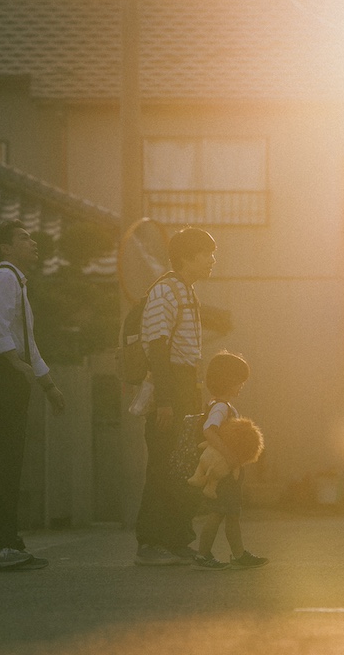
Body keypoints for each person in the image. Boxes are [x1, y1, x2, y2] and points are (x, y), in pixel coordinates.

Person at [0, 219, 66, 571]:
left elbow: (28, 342)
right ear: (5, 248)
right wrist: (14, 362)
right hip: (1, 376)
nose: (33, 242)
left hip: (10, 376)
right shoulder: (2, 278)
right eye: (23, 238)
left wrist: (48, 384)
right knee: (4, 465)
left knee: (9, 464)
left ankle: (7, 543)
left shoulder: (15, 281)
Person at [134, 227, 217, 566]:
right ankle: (150, 544)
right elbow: (157, 347)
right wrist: (165, 401)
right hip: (171, 385)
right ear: (186, 258)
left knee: (183, 464)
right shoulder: (166, 291)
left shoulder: (185, 290)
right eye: (206, 253)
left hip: (186, 386)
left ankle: (176, 539)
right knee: (163, 465)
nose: (212, 260)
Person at [194, 350, 268, 570]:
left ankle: (238, 554)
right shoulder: (220, 407)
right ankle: (203, 554)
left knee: (231, 514)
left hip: (229, 470)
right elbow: (209, 430)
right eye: (239, 381)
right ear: (228, 381)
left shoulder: (222, 406)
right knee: (218, 513)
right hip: (224, 471)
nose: (241, 386)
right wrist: (228, 455)